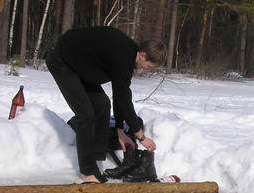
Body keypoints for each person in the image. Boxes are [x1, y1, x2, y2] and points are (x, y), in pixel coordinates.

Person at [46, 26, 165, 183]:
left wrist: (121, 131)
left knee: (102, 104)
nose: (147, 70)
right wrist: (140, 136)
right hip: (62, 63)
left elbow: (120, 95)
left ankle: (94, 157)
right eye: (149, 67)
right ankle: (87, 173)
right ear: (142, 56)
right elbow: (123, 98)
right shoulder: (123, 57)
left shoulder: (127, 54)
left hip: (81, 67)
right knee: (86, 115)